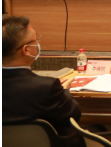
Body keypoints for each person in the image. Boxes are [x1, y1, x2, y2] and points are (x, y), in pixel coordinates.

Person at [2, 15, 83, 146]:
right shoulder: (46, 87)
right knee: (97, 129)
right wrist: (64, 91)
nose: (38, 43)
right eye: (36, 39)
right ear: (26, 50)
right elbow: (73, 116)